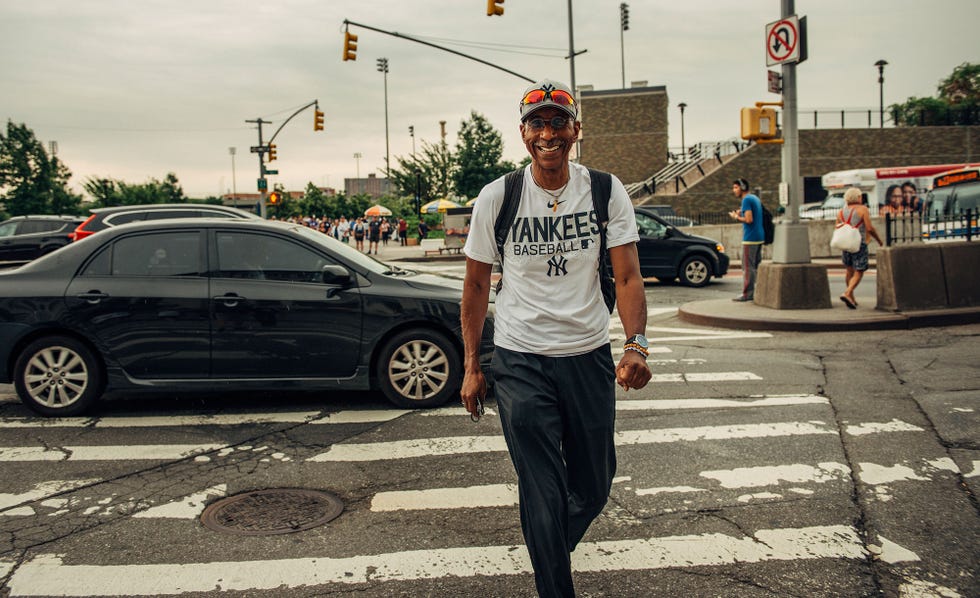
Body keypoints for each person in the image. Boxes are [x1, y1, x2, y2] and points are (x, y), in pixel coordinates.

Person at [460, 78, 652, 598]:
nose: (548, 133)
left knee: (593, 487)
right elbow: (477, 284)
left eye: (558, 123)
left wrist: (635, 344)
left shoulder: (606, 192)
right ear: (523, 133)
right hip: (520, 362)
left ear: (576, 130)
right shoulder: (498, 197)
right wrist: (473, 365)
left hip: (587, 356)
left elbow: (629, 276)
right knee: (541, 490)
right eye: (537, 123)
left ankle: (546, 546)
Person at [838, 186, 883, 309]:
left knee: (849, 270)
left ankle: (851, 298)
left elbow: (838, 227)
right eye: (860, 196)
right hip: (859, 243)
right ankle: (847, 293)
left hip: (846, 244)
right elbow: (869, 228)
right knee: (859, 271)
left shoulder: (841, 212)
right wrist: (879, 240)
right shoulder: (863, 209)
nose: (861, 198)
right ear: (857, 197)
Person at [728, 178, 764, 302]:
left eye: (736, 187)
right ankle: (759, 291)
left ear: (742, 187)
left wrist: (736, 217)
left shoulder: (746, 200)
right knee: (756, 266)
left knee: (747, 267)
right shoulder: (754, 198)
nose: (734, 190)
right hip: (759, 237)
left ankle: (747, 294)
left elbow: (749, 220)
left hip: (750, 238)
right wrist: (741, 212)